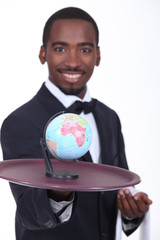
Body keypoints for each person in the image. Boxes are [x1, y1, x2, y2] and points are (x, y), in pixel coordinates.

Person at [1, 7, 152, 240]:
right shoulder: (20, 122)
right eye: (60, 48)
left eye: (84, 49)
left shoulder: (109, 117)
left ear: (98, 55)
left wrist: (132, 209)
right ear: (43, 53)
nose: (73, 62)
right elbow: (29, 212)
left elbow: (119, 186)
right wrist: (57, 191)